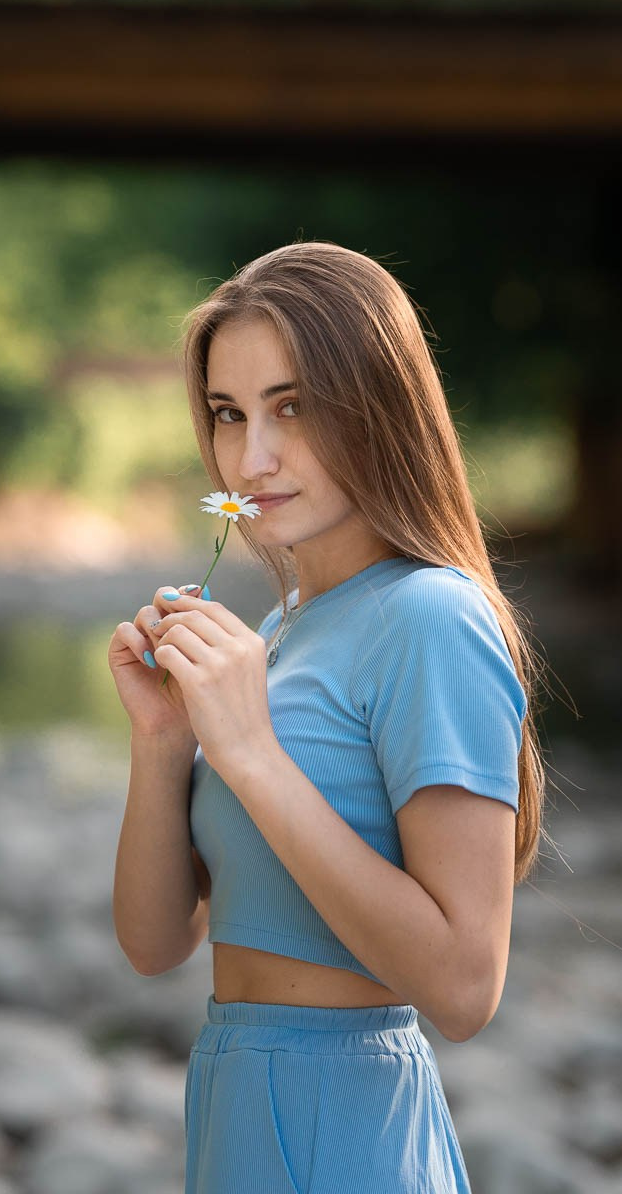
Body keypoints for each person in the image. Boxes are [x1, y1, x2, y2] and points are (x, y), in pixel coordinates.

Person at [108, 241, 547, 1193]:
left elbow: (466, 989)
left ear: (378, 406)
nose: (251, 458)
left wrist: (253, 753)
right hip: (230, 1097)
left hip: (346, 1120)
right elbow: (155, 944)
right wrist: (165, 737)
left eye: (293, 407)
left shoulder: (433, 618)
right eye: (228, 415)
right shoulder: (280, 628)